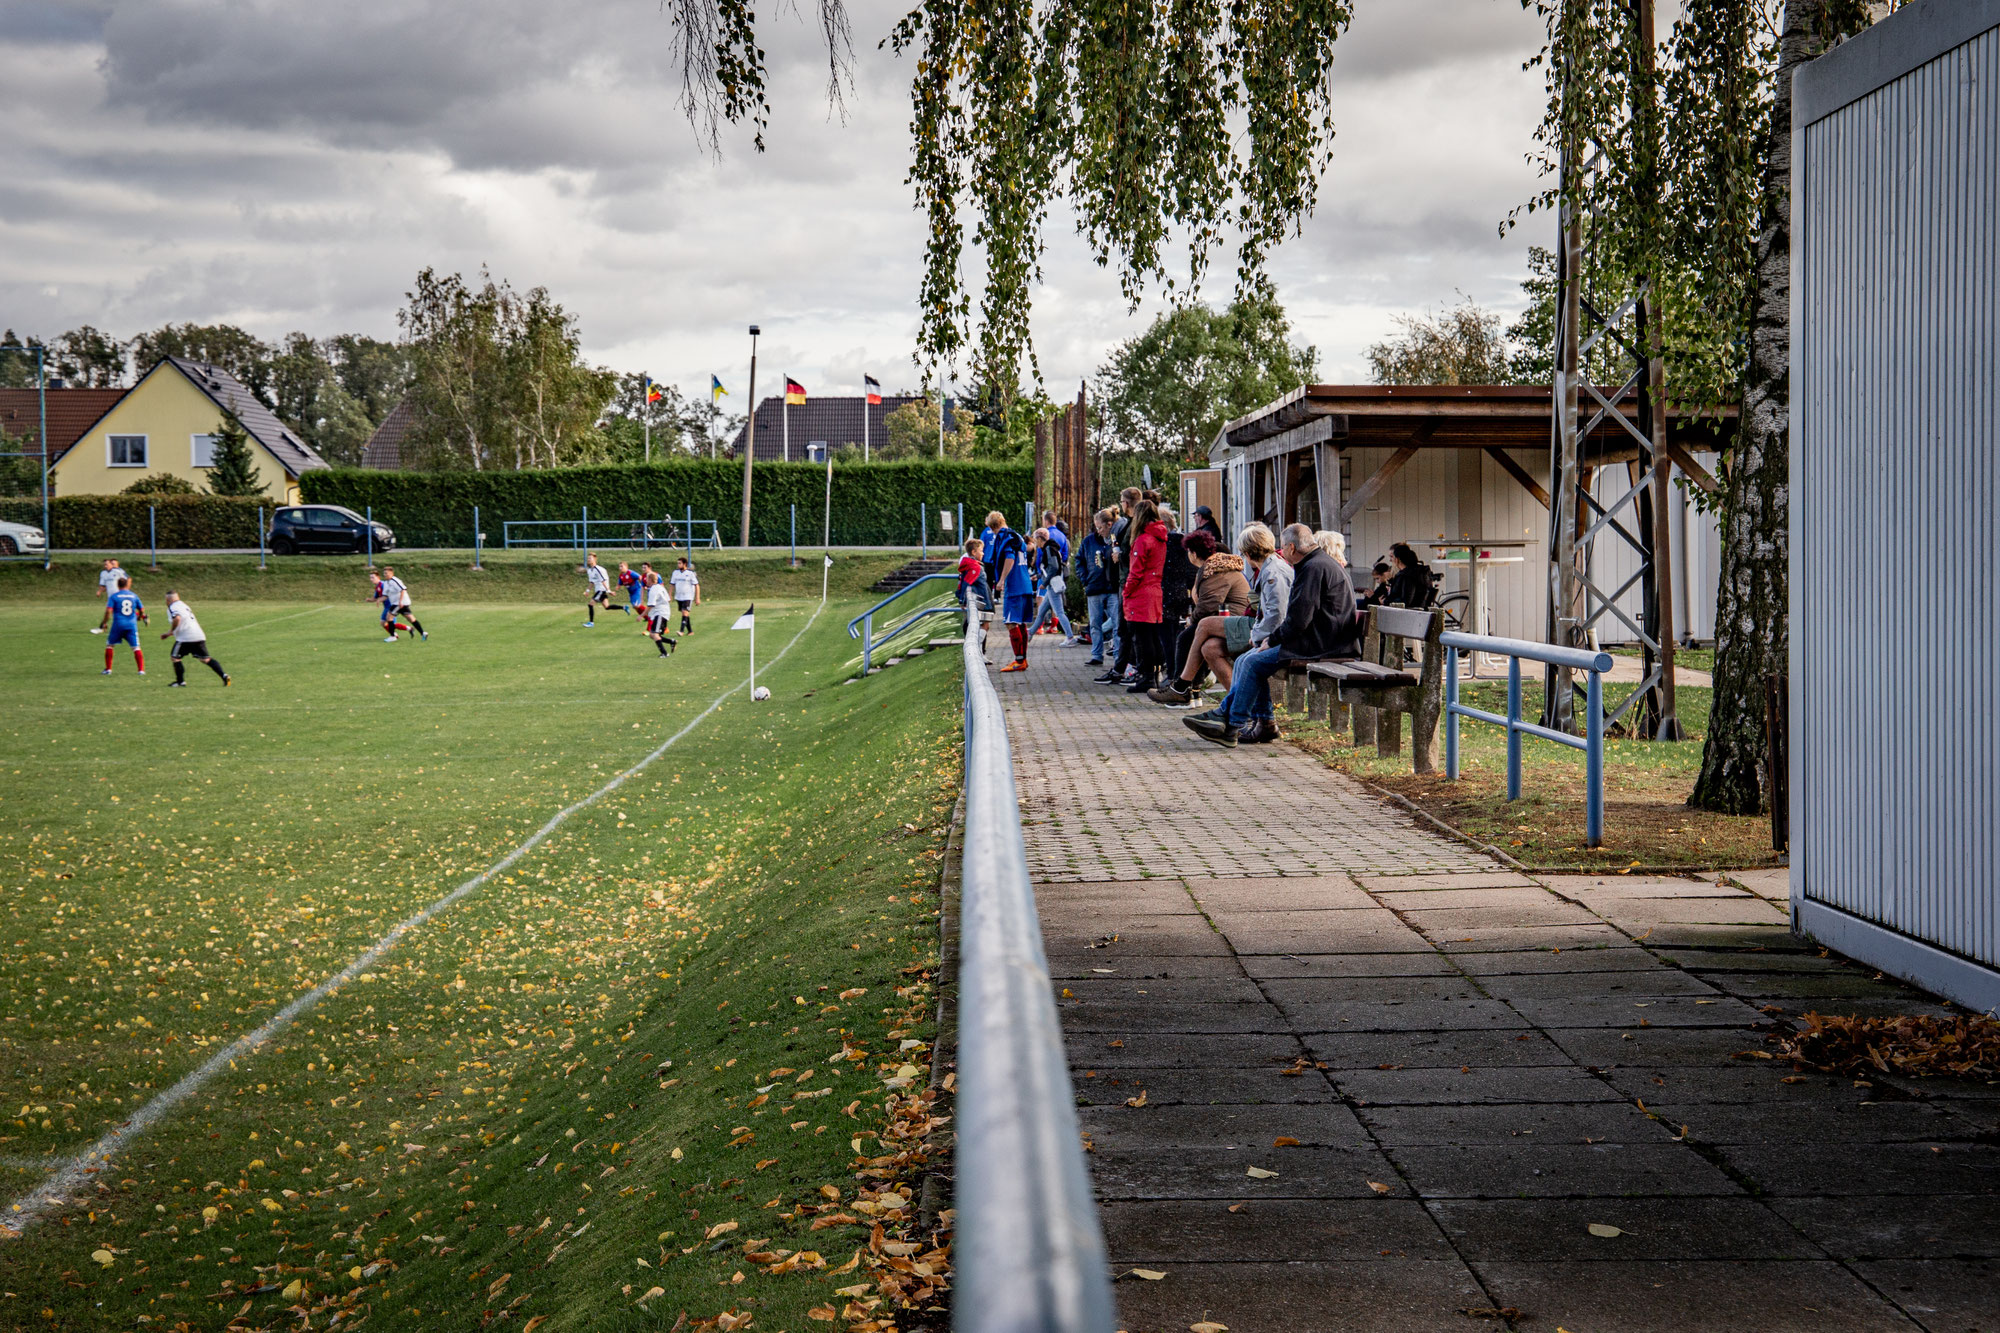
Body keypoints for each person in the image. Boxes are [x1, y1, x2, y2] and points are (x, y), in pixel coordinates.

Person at [1185, 524, 1360, 747]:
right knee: (1246, 659)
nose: (1281, 551)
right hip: (1322, 639)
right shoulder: (1316, 564)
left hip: (1323, 645)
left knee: (1253, 662)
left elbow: (1298, 619)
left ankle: (1231, 725)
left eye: (1283, 547)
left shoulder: (1313, 569)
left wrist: (1272, 640)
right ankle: (1261, 723)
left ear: (1292, 547)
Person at [1148, 530, 1252, 704]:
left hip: (1237, 620)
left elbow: (1207, 605)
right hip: (1229, 618)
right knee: (1206, 645)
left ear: (1193, 553)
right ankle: (1195, 690)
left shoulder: (1215, 570)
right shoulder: (1213, 568)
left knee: (1186, 637)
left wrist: (1191, 620)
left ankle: (1180, 688)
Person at [1118, 498, 1169, 692]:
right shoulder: (1160, 538)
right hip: (1155, 591)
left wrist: (1127, 591)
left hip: (1141, 593)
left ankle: (1146, 677)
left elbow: (1136, 572)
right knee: (1152, 637)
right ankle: (1155, 675)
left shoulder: (1142, 540)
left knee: (1140, 638)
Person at [1096, 487, 1144, 684]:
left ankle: (1132, 668)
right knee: (1123, 628)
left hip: (1130, 582)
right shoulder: (1129, 525)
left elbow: (1134, 552)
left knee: (1129, 629)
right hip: (1124, 581)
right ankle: (1121, 667)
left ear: (1126, 503)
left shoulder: (1132, 525)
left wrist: (1120, 555)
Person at [985, 511, 1033, 672]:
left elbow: (1010, 557)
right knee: (1020, 622)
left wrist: (1002, 580)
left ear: (993, 526)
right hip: (1025, 583)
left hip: (1015, 585)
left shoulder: (1004, 537)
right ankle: (1022, 659)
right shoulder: (1017, 535)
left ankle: (1019, 660)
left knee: (1010, 622)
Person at [159, 591, 229, 687]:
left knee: (175, 658)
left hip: (185, 638)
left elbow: (177, 618)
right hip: (198, 635)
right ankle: (224, 675)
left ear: (168, 600)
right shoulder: (183, 605)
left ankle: (180, 682)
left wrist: (170, 632)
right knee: (206, 659)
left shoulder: (173, 607)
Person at [1078, 510, 1120, 665]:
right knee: (1095, 623)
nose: (1098, 531)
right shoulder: (1089, 541)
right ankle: (1096, 655)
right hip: (1094, 587)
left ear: (1109, 525)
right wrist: (1085, 579)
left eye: (1100, 527)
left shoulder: (1115, 540)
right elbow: (1079, 560)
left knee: (1116, 623)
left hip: (1112, 588)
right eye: (1096, 527)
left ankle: (1118, 655)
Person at [1027, 526, 1078, 643]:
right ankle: (1030, 633)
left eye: (1036, 539)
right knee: (1042, 612)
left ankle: (1070, 637)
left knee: (1059, 612)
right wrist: (1039, 576)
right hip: (1052, 584)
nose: (1035, 543)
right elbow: (1053, 567)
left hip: (1052, 586)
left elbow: (1053, 567)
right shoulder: (1052, 548)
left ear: (1040, 539)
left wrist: (1044, 582)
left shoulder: (1049, 549)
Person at [102, 576, 146, 675]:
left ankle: (108, 669)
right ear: (127, 584)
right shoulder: (134, 596)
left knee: (110, 645)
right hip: (131, 625)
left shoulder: (114, 597)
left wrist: (104, 622)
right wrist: (140, 617)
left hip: (118, 624)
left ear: (117, 585)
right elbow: (142, 610)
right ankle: (141, 670)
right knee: (136, 647)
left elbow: (108, 611)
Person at [1382, 541, 1436, 609]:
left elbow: (1406, 601)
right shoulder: (1421, 572)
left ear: (1397, 559)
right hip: (1422, 612)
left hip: (1409, 614)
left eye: (1392, 557)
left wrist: (1386, 601)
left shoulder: (1406, 575)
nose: (1391, 560)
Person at [380, 567, 426, 641]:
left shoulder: (395, 580)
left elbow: (403, 590)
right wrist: (378, 600)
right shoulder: (386, 583)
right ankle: (423, 633)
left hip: (399, 603)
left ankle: (393, 636)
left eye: (386, 573)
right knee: (411, 619)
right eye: (384, 573)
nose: (384, 574)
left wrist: (400, 602)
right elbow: (385, 596)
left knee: (389, 617)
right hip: (397, 603)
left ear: (391, 573)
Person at [642, 572, 678, 656]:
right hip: (662, 613)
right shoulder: (660, 587)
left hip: (660, 614)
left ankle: (664, 653)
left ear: (650, 580)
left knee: (654, 634)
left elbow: (651, 605)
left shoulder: (653, 590)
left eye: (647, 579)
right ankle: (672, 642)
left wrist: (641, 615)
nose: (645, 580)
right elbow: (668, 599)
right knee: (652, 635)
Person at [955, 537, 989, 610]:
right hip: (982, 601)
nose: (983, 553)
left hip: (979, 599)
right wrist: (962, 600)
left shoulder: (969, 564)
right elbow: (966, 583)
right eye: (981, 551)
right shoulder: (975, 567)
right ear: (974, 552)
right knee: (985, 619)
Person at [93, 558, 126, 634]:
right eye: (104, 564)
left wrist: (124, 591)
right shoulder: (103, 573)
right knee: (115, 612)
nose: (105, 566)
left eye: (107, 564)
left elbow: (125, 580)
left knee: (110, 612)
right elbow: (103, 585)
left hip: (119, 596)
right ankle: (142, 616)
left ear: (111, 564)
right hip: (111, 597)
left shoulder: (118, 571)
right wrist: (99, 591)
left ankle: (102, 627)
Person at [670, 557, 701, 634]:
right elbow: (672, 584)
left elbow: (697, 585)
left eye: (680, 563)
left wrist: (697, 598)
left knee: (685, 612)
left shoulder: (690, 573)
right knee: (685, 614)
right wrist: (669, 595)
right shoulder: (675, 572)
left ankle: (681, 631)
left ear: (685, 564)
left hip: (688, 596)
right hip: (679, 596)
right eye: (678, 563)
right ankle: (690, 631)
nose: (678, 565)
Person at [584, 552, 611, 626]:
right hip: (598, 590)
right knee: (607, 607)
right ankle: (624, 607)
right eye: (588, 558)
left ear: (595, 559)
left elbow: (603, 580)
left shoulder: (598, 569)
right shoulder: (590, 570)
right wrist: (587, 591)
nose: (588, 560)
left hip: (601, 590)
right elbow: (591, 582)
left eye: (590, 558)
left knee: (590, 604)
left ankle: (591, 623)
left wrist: (608, 590)